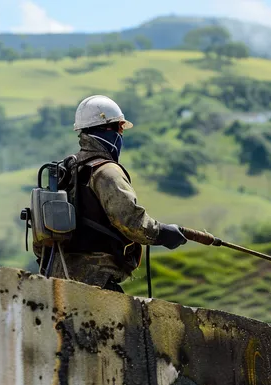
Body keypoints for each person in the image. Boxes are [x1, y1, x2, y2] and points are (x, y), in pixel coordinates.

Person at [38, 95, 187, 292]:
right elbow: (131, 222)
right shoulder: (106, 171)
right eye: (120, 129)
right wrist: (162, 233)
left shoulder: (67, 170)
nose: (121, 135)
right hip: (96, 282)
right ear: (109, 129)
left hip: (56, 281)